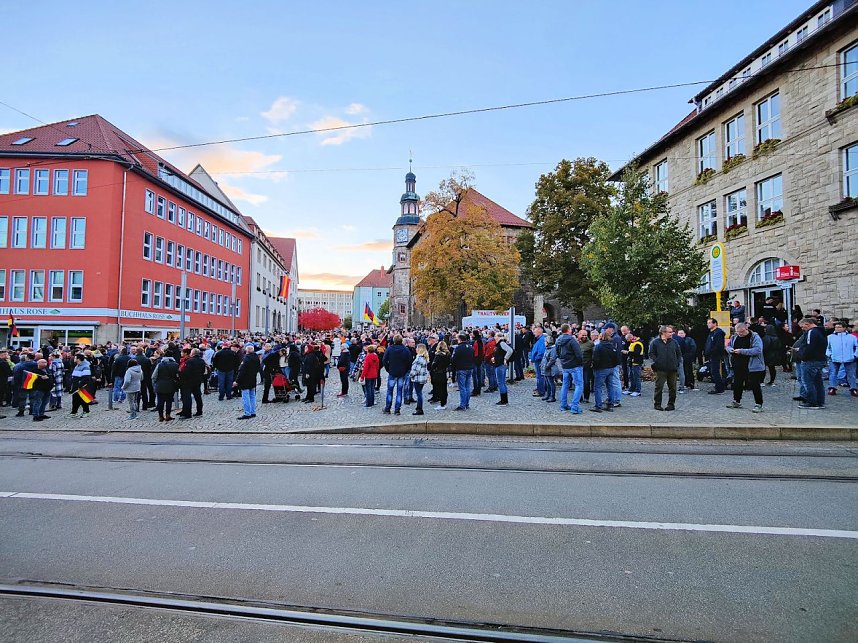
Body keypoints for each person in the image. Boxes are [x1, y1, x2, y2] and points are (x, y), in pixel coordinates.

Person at [725, 322, 765, 412]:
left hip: (752, 365)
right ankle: (736, 401)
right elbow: (728, 346)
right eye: (738, 332)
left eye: (741, 332)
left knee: (755, 385)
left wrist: (742, 351)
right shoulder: (734, 336)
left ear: (746, 329)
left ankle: (758, 404)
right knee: (737, 383)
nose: (740, 334)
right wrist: (730, 350)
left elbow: (758, 350)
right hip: (737, 364)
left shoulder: (755, 337)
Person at [795, 317, 827, 409]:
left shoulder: (811, 332)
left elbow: (809, 347)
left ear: (807, 324)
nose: (802, 329)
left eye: (802, 327)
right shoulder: (821, 332)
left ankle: (812, 402)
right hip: (819, 359)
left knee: (808, 382)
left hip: (810, 360)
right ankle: (819, 401)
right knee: (818, 382)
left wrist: (802, 355)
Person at [649, 325, 682, 411]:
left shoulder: (674, 342)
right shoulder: (655, 342)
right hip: (661, 369)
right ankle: (657, 404)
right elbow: (651, 354)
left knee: (673, 388)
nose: (672, 333)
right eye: (670, 332)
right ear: (663, 333)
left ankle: (671, 404)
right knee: (659, 387)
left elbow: (679, 354)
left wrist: (677, 363)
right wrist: (657, 362)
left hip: (672, 369)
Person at [556, 324, 584, 414]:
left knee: (565, 385)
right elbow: (578, 354)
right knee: (579, 385)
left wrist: (563, 360)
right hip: (575, 365)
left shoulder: (558, 340)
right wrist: (580, 363)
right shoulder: (572, 340)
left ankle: (563, 405)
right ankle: (574, 406)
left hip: (565, 365)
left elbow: (557, 352)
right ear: (568, 330)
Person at [382, 334, 412, 415]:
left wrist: (388, 369)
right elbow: (409, 362)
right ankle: (397, 409)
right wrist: (405, 370)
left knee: (390, 391)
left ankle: (388, 408)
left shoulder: (390, 349)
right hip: (401, 372)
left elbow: (384, 360)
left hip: (392, 372)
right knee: (399, 391)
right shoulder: (405, 350)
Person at [826, 321, 858, 396]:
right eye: (836, 327)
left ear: (844, 328)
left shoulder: (852, 337)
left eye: (839, 327)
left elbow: (857, 346)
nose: (837, 328)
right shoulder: (830, 337)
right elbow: (828, 347)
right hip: (834, 357)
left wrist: (855, 355)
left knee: (851, 374)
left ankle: (853, 388)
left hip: (849, 358)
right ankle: (832, 387)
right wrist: (829, 354)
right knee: (833, 373)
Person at [590, 331, 619, 412]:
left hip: (601, 369)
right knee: (610, 387)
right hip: (610, 368)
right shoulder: (612, 346)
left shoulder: (598, 347)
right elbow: (616, 359)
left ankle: (598, 406)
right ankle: (610, 405)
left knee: (598, 387)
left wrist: (594, 367)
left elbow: (596, 359)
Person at [235, 345, 262, 419]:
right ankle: (253, 411)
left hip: (245, 380)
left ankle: (247, 413)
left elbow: (242, 371)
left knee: (246, 396)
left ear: (246, 351)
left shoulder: (246, 358)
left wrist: (237, 381)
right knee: (252, 396)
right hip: (253, 378)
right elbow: (258, 368)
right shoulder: (256, 357)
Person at [178, 348, 206, 418]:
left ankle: (188, 413)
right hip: (198, 380)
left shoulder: (189, 361)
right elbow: (203, 371)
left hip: (188, 381)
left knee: (187, 398)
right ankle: (199, 411)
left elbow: (186, 372)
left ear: (192, 354)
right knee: (198, 397)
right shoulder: (202, 361)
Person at [152, 351, 179, 422]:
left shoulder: (160, 364)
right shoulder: (175, 365)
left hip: (160, 385)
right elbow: (178, 375)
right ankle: (168, 415)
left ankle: (160, 416)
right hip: (171, 385)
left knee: (160, 401)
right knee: (169, 401)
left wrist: (155, 383)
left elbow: (154, 376)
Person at [451, 333, 475, 410]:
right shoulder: (470, 347)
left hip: (461, 369)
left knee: (462, 388)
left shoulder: (458, 348)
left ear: (460, 339)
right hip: (470, 368)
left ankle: (462, 405)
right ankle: (467, 404)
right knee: (467, 387)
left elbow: (453, 359)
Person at [704, 318, 727, 394]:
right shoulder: (712, 333)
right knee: (713, 371)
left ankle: (720, 388)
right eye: (708, 323)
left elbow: (718, 345)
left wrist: (711, 352)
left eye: (710, 323)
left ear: (715, 324)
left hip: (715, 355)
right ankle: (719, 387)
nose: (708, 324)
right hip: (711, 354)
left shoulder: (718, 333)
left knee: (715, 371)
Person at [492, 332, 513, 406]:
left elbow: (510, 350)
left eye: (495, 336)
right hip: (499, 364)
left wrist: (505, 358)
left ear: (499, 337)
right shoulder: (499, 344)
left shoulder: (502, 343)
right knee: (502, 382)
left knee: (501, 383)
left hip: (500, 365)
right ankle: (504, 400)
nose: (494, 337)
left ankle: (504, 401)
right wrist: (494, 358)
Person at [69, 353, 93, 418]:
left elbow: (86, 377)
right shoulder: (77, 366)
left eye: (75, 358)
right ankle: (74, 412)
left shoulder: (85, 366)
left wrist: (80, 385)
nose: (74, 359)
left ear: (78, 359)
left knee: (82, 399)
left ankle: (86, 411)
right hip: (75, 385)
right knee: (75, 399)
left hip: (81, 386)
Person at [409, 344, 429, 415]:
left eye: (417, 348)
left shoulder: (419, 358)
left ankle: (419, 409)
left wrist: (410, 375)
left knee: (419, 394)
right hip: (421, 378)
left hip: (418, 379)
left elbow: (415, 370)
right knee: (419, 393)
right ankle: (419, 408)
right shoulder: (423, 358)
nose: (416, 349)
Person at [430, 341, 451, 410]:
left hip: (438, 373)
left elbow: (433, 365)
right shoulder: (447, 354)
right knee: (444, 389)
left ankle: (442, 404)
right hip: (444, 372)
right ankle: (444, 403)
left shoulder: (438, 355)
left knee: (440, 389)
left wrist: (432, 368)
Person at [541, 335, 559, 403]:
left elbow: (552, 359)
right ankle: (548, 395)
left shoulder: (552, 349)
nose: (544, 343)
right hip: (546, 368)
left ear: (548, 342)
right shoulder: (547, 348)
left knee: (551, 383)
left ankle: (552, 396)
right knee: (547, 383)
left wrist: (547, 366)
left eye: (545, 341)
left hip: (549, 368)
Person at [529, 325, 546, 398]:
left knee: (540, 376)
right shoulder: (540, 339)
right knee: (540, 376)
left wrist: (535, 358)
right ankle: (540, 388)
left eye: (535, 332)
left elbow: (541, 352)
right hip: (537, 360)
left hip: (539, 361)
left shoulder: (541, 340)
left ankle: (541, 391)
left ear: (539, 332)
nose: (534, 333)